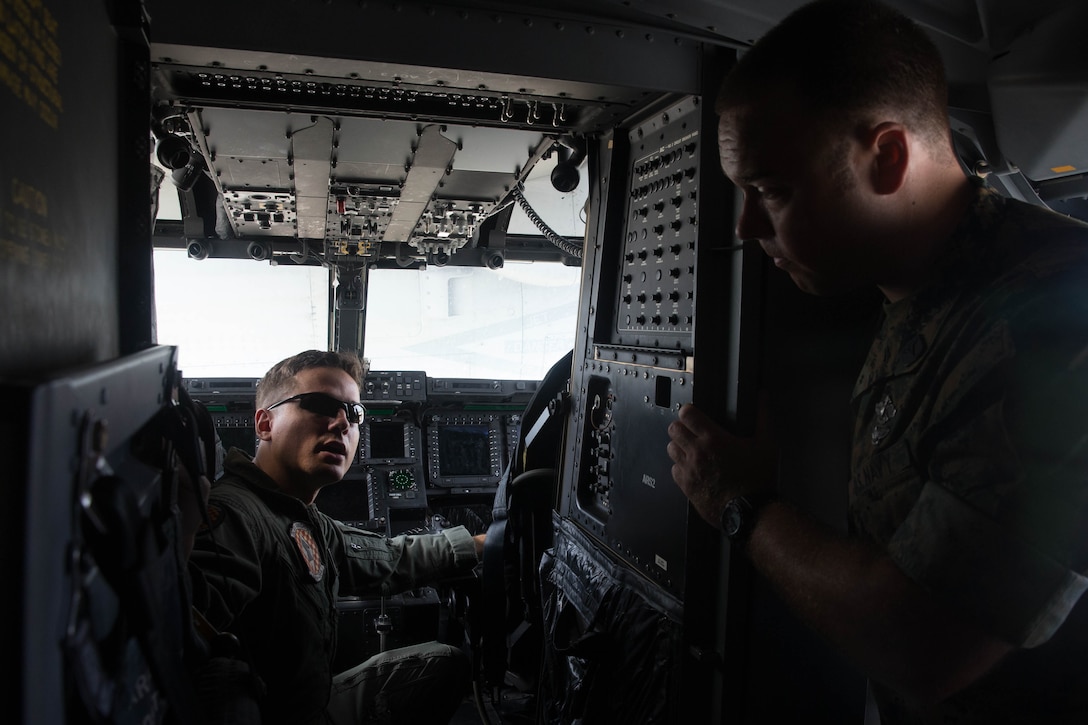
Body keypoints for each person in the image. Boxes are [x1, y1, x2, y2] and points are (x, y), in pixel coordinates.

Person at [666, 1, 1088, 723]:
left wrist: (742, 506)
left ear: (887, 157)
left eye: (770, 191)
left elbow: (924, 648)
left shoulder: (1053, 322)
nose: (746, 228)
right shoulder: (917, 292)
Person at [183, 349, 485, 724]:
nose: (342, 423)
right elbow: (184, 636)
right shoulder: (236, 517)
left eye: (353, 413)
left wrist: (477, 544)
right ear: (264, 425)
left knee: (446, 663)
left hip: (308, 705)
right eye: (320, 405)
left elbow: (386, 557)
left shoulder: (300, 517)